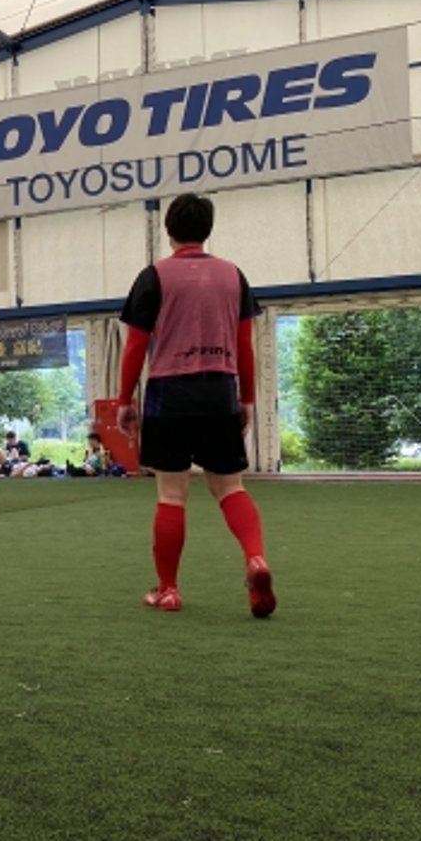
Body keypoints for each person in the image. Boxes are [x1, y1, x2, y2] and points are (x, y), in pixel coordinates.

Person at [117, 192, 275, 618]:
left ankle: (168, 590)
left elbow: (135, 347)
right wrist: (245, 399)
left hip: (168, 394)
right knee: (231, 488)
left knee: (172, 494)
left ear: (168, 230)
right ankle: (256, 558)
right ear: (208, 229)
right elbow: (244, 345)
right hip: (220, 390)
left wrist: (124, 400)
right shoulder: (233, 276)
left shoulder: (153, 277)